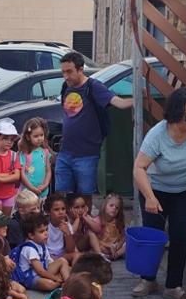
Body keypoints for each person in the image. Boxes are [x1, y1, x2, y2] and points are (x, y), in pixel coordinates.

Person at [131, 87, 186, 299]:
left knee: (180, 236)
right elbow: (139, 168)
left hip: (185, 189)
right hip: (156, 189)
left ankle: (173, 285)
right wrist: (150, 197)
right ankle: (148, 280)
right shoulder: (158, 135)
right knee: (153, 236)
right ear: (176, 113)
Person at [56, 51, 132, 195]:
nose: (66, 76)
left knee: (84, 197)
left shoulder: (94, 86)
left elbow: (119, 103)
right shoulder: (66, 86)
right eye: (63, 72)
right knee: (61, 195)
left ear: (80, 69)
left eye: (69, 72)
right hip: (65, 153)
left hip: (86, 155)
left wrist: (137, 100)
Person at [12, 213, 70, 290]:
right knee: (50, 284)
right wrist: (55, 277)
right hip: (30, 277)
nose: (46, 233)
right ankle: (62, 283)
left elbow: (49, 261)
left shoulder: (41, 244)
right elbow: (40, 271)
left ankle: (68, 283)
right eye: (41, 231)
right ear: (31, 235)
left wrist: (58, 268)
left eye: (46, 230)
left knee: (63, 261)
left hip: (42, 270)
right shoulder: (29, 249)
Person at [0, 120, 21, 209]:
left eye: (12, 140)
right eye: (5, 138)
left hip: (10, 194)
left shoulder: (14, 155)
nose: (9, 142)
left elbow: (17, 176)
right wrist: (9, 174)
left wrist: (0, 178)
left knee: (5, 220)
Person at [18, 117, 53, 201]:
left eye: (42, 135)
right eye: (36, 136)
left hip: (42, 191)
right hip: (27, 193)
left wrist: (45, 184)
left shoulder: (45, 152)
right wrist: (32, 188)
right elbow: (22, 174)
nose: (40, 138)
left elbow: (48, 170)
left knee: (41, 211)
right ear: (28, 136)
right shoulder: (24, 154)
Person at [96, 193, 126, 261]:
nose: (114, 208)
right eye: (111, 205)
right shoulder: (98, 220)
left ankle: (115, 255)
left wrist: (118, 246)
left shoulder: (118, 221)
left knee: (129, 243)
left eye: (117, 207)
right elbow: (96, 240)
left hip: (115, 245)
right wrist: (108, 246)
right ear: (104, 206)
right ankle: (106, 256)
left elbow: (123, 236)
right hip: (105, 245)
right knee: (98, 247)